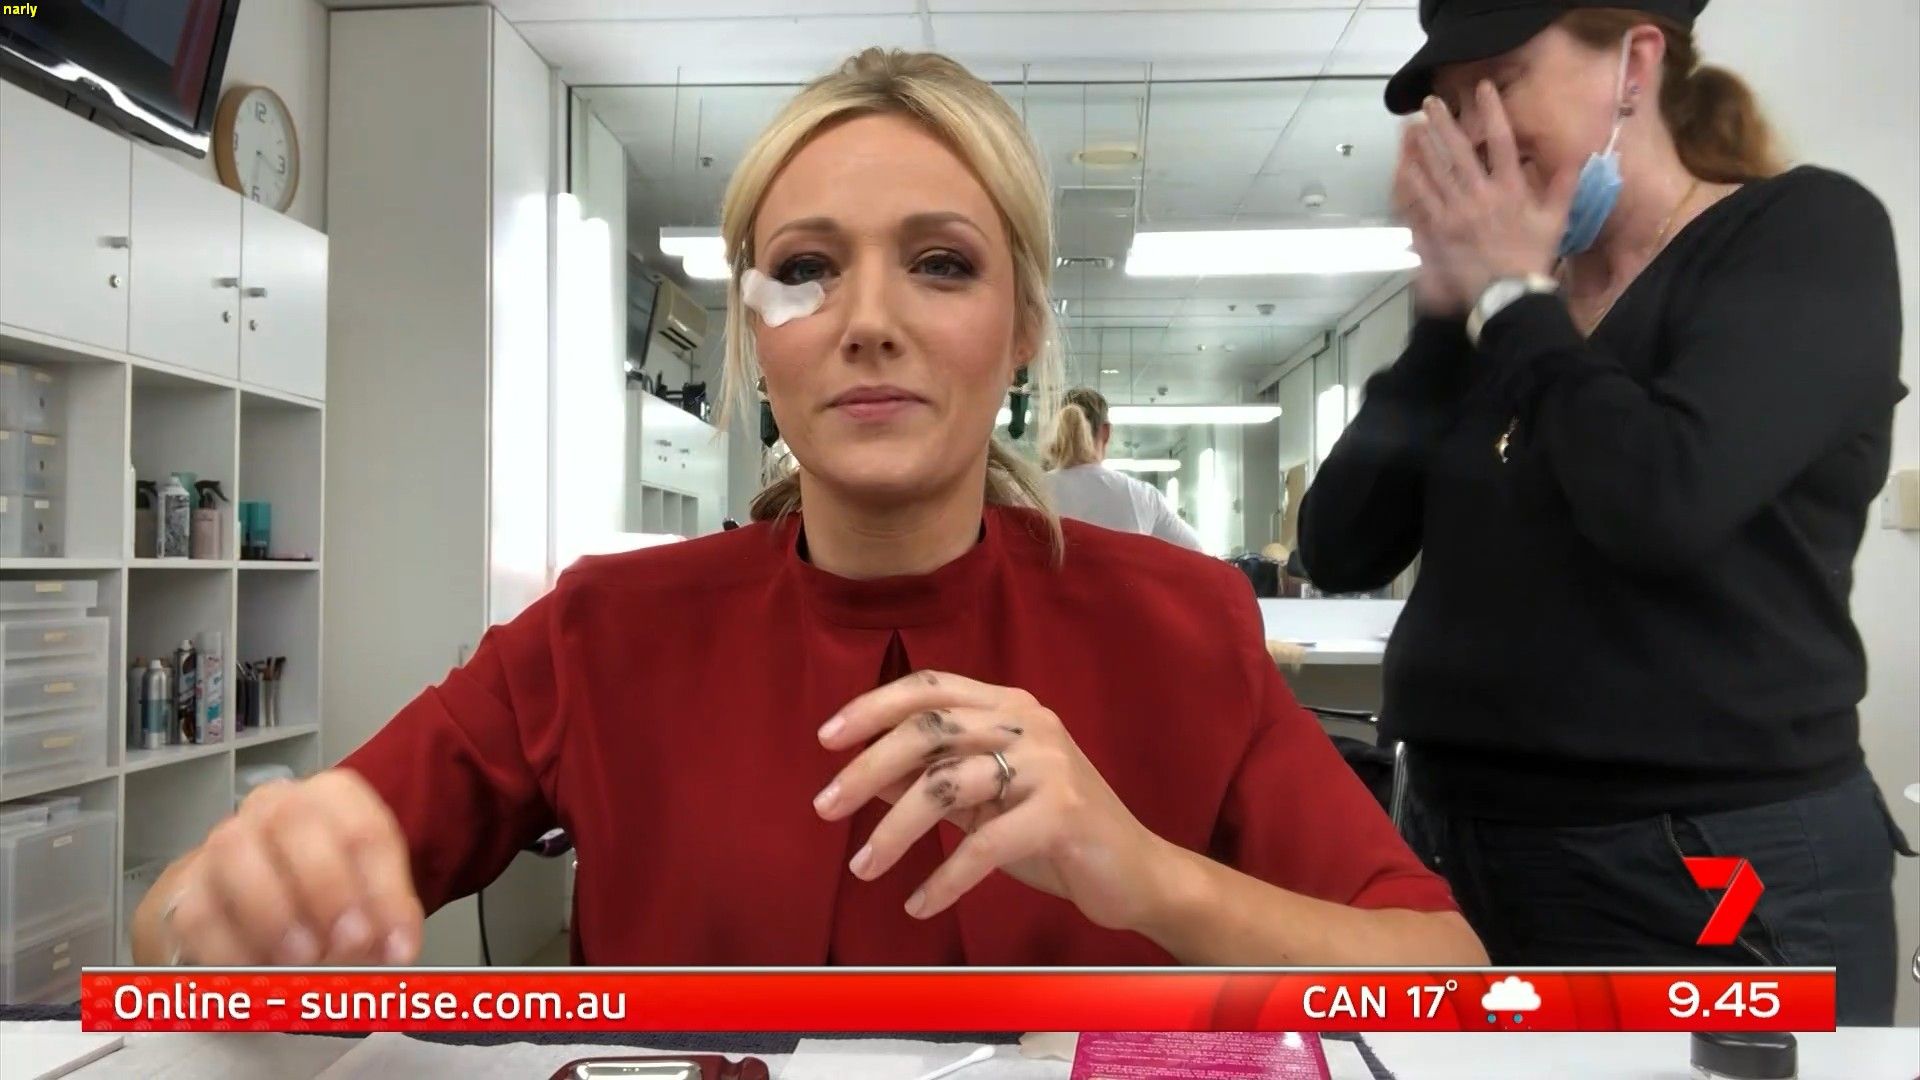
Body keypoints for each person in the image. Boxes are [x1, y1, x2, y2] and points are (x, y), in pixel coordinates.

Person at [132, 49, 1483, 969]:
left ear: (1021, 328)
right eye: (805, 270)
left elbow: (1450, 970)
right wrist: (244, 899)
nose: (869, 321)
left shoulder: (1179, 625)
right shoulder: (601, 632)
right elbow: (170, 933)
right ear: (753, 334)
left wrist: (1149, 875)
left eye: (940, 264)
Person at [1298, 0, 1911, 1024]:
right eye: (1452, 109)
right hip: (1456, 849)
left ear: (1634, 65)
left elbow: (1661, 499)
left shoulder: (1802, 234)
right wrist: (1447, 320)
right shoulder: (1508, 322)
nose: (1476, 136)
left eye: (1501, 86)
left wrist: (1510, 299)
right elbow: (1341, 543)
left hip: (1704, 863)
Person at [1041, 386, 1203, 550]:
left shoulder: (1033, 493)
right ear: (1106, 432)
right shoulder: (1143, 496)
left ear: (1057, 432)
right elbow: (1197, 551)